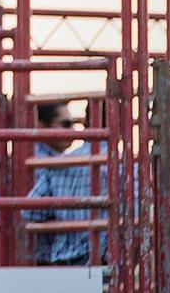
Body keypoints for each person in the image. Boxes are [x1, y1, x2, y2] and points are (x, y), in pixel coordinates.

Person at [23, 102, 108, 266]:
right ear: (42, 126)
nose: (72, 131)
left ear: (87, 122)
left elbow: (30, 211)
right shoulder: (126, 165)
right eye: (66, 124)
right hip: (104, 261)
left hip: (61, 262)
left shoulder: (58, 164)